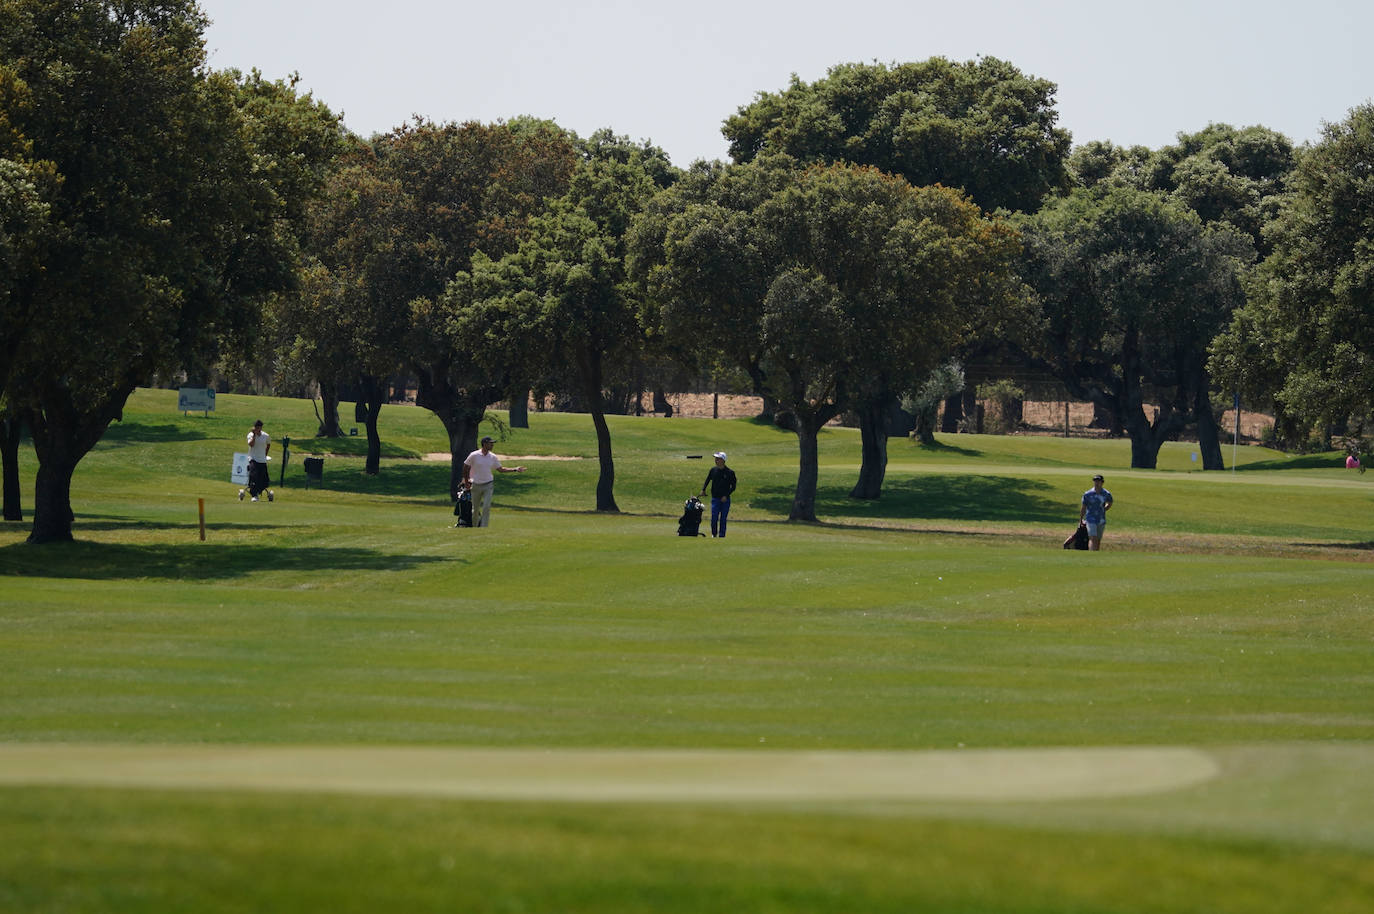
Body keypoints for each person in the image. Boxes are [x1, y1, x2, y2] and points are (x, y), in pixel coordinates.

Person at [461, 436, 525, 527]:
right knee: (475, 509)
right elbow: (466, 467)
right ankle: (474, 526)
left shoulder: (493, 457)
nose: (492, 445)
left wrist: (515, 469)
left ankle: (484, 527)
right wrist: (466, 481)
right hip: (476, 484)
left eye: (492, 443)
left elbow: (501, 469)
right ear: (484, 444)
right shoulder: (474, 455)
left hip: (488, 484)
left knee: (486, 507)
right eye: (490, 443)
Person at [700, 451, 737, 538]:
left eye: (718, 459)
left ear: (723, 460)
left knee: (723, 519)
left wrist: (726, 496)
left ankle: (722, 535)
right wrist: (703, 490)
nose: (716, 460)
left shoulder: (730, 473)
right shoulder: (713, 470)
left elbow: (733, 487)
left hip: (725, 500)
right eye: (715, 459)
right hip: (715, 498)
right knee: (714, 518)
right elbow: (708, 480)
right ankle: (714, 534)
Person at [239, 419, 274, 503]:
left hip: (262, 460)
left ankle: (261, 491)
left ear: (261, 427)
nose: (258, 429)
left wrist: (265, 454)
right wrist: (254, 436)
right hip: (253, 459)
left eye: (259, 427)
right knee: (254, 476)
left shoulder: (265, 436)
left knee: (264, 479)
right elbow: (251, 444)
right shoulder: (251, 435)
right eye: (256, 427)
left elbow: (268, 444)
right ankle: (254, 495)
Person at [1078, 473, 1113, 551]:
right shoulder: (1088, 494)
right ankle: (1091, 553)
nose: (1097, 483)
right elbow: (1084, 507)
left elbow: (1110, 502)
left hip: (1101, 519)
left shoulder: (1106, 494)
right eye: (1095, 481)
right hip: (1090, 519)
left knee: (1098, 540)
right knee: (1092, 538)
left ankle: (1096, 554)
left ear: (1102, 482)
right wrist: (1080, 519)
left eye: (1098, 481)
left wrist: (1105, 508)